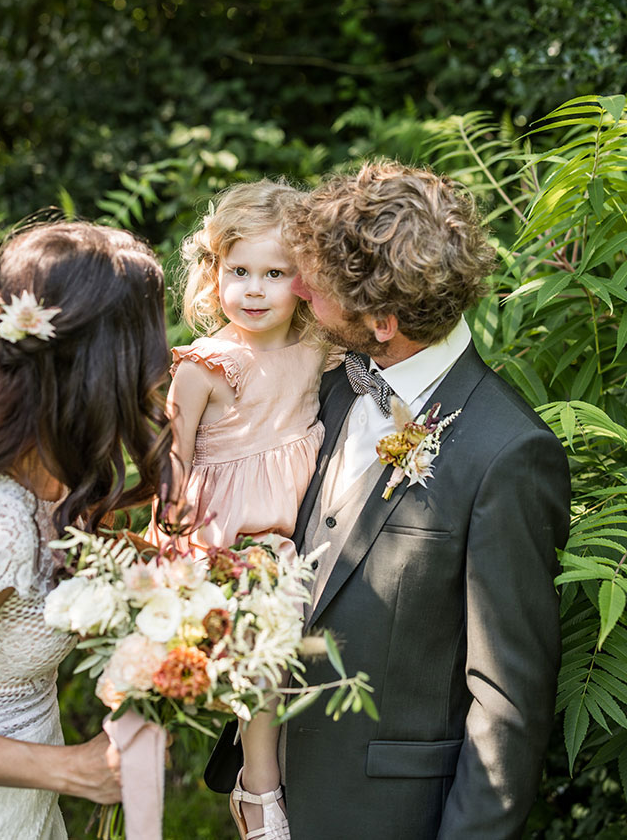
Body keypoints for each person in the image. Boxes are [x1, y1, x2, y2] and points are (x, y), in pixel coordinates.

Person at [205, 161, 571, 840]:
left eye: (314, 285)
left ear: (381, 320)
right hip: (271, 797)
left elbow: (507, 707)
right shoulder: (333, 385)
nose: (300, 290)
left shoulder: (509, 454)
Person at [0, 220, 173, 840]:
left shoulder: (51, 478)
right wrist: (72, 771)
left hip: (18, 811)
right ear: (103, 361)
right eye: (148, 334)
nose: (165, 357)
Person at [153, 179, 329, 840]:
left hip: (299, 525)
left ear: (304, 281)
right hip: (228, 532)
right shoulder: (204, 364)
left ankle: (262, 764)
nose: (253, 289)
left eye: (274, 273)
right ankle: (259, 789)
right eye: (239, 271)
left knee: (289, 658)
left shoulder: (318, 350)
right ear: (215, 272)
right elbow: (176, 453)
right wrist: (169, 532)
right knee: (263, 634)